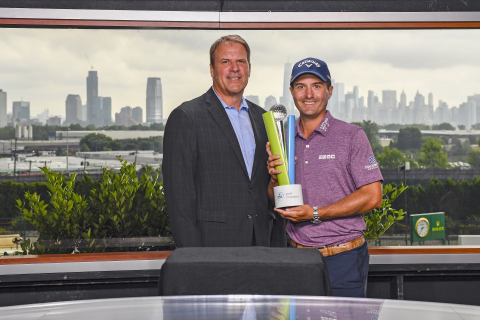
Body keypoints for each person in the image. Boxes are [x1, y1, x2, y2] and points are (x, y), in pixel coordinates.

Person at [267, 57, 383, 297]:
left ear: (329, 91)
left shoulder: (352, 136)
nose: (308, 94)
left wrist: (316, 213)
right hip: (298, 258)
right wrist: (274, 179)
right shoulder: (283, 139)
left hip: (344, 257)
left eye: (317, 86)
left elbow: (373, 197)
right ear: (292, 92)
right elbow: (275, 198)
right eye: (301, 86)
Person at [163, 35, 286, 248]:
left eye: (241, 61)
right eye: (225, 62)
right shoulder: (187, 117)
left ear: (249, 68)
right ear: (212, 69)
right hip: (212, 246)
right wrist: (192, 259)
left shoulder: (264, 119)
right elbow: (179, 201)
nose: (235, 68)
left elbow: (268, 188)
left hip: (263, 245)